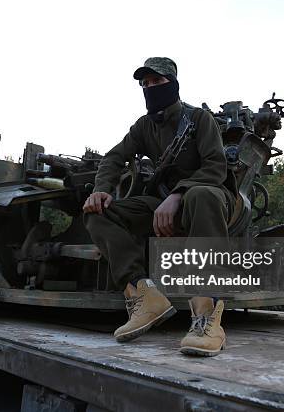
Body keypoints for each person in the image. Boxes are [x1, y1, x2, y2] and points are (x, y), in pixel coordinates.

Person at [82, 57, 236, 356]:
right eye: (146, 83)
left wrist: (178, 194)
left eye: (158, 82)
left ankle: (207, 317)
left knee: (199, 195)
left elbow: (217, 168)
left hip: (213, 201)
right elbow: (113, 158)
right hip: (165, 205)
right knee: (96, 211)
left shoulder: (198, 120)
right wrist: (101, 190)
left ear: (173, 84)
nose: (150, 88)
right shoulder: (143, 127)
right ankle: (144, 294)